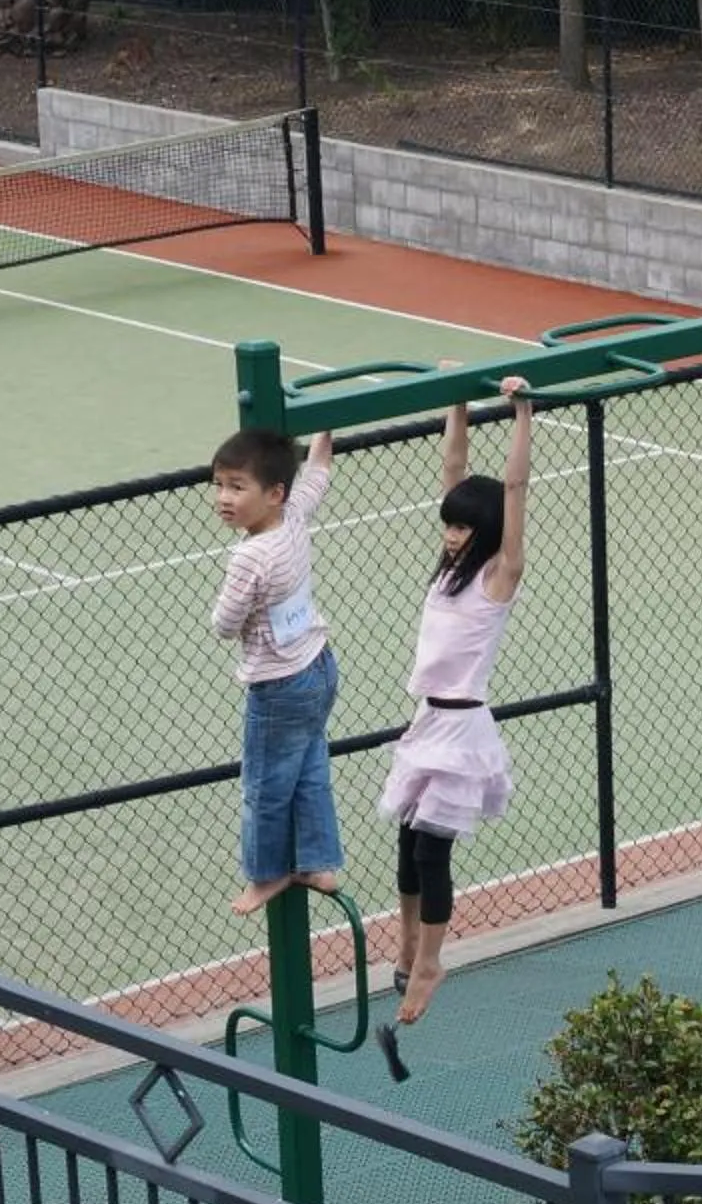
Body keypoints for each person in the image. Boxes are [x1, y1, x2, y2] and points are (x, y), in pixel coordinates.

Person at [378, 374, 535, 1026]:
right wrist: (458, 399)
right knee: (406, 846)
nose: (450, 534)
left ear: (487, 531)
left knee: (431, 853)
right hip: (426, 722)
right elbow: (454, 466)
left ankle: (432, 961)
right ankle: (408, 944)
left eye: (463, 527)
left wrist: (522, 413)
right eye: (448, 525)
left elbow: (516, 489)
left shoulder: (498, 577)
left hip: (461, 729)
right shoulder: (449, 570)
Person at [208, 423, 341, 916]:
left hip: (278, 684)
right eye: (219, 485)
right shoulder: (294, 517)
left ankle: (267, 875)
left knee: (264, 785)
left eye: (237, 487)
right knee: (310, 769)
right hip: (319, 666)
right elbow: (318, 473)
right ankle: (319, 862)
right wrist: (324, 431)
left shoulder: (249, 556)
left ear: (274, 493)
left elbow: (224, 624)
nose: (224, 498)